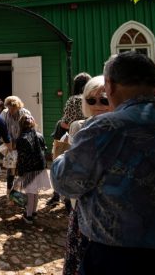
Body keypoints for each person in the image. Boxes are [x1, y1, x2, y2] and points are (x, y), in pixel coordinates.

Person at [52, 52, 155, 275]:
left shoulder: (103, 128)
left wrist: (61, 158)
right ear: (154, 86)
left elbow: (65, 184)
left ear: (109, 86)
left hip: (115, 258)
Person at [61, 75, 110, 275]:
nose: (98, 104)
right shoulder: (80, 127)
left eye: (104, 99)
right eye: (91, 100)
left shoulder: (124, 128)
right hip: (86, 205)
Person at [46, 72, 91, 207]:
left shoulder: (73, 100)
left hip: (72, 137)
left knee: (62, 164)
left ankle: (59, 195)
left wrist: (62, 124)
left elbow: (66, 123)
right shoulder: (91, 99)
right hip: (89, 138)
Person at [13, 114, 51, 223]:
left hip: (28, 168)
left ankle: (28, 215)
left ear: (21, 124)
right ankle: (34, 212)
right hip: (40, 166)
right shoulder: (39, 135)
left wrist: (19, 171)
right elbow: (44, 149)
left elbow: (22, 157)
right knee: (35, 191)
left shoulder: (21, 138)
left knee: (30, 191)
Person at [1, 96, 31, 198]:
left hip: (22, 145)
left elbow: (29, 131)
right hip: (9, 145)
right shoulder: (4, 113)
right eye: (9, 108)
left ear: (18, 107)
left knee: (22, 169)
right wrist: (8, 143)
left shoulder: (25, 113)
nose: (11, 110)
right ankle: (9, 191)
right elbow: (1, 129)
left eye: (13, 108)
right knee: (10, 169)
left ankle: (20, 191)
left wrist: (19, 143)